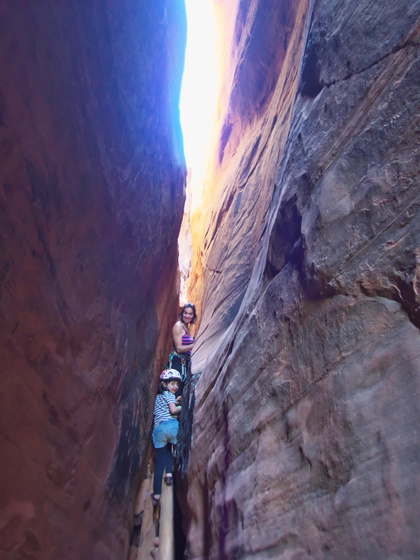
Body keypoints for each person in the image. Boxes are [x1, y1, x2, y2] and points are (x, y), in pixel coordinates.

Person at [151, 369, 182, 507]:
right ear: (165, 384)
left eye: (176, 384)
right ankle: (169, 475)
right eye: (172, 383)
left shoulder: (158, 397)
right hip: (171, 426)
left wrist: (174, 401)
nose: (175, 387)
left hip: (159, 429)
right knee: (171, 447)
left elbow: (164, 408)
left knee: (160, 463)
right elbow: (173, 410)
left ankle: (156, 495)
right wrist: (181, 406)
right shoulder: (169, 396)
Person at [167, 302, 197, 396]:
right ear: (182, 313)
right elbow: (179, 349)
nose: (187, 316)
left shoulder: (187, 327)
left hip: (184, 363)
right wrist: (195, 344)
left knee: (180, 394)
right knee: (175, 393)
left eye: (190, 314)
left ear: (193, 315)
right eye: (185, 313)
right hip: (177, 364)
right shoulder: (178, 326)